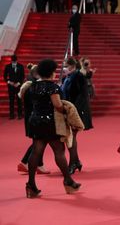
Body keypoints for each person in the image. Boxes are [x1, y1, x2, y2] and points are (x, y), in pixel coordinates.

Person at [25, 59, 81, 198]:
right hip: (50, 123)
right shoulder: (52, 87)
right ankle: (68, 180)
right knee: (59, 151)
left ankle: (31, 185)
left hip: (35, 121)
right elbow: (57, 105)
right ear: (51, 72)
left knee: (36, 152)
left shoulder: (32, 86)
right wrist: (66, 109)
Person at [17, 64, 50, 175]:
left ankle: (32, 163)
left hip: (31, 117)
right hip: (36, 117)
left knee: (39, 141)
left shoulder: (28, 84)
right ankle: (30, 163)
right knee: (40, 141)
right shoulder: (33, 86)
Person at [62, 58, 93, 174]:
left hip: (76, 111)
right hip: (69, 109)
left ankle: (73, 163)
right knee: (71, 137)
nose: (64, 68)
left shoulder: (79, 76)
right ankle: (76, 162)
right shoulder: (67, 77)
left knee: (71, 136)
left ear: (72, 66)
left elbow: (83, 95)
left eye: (66, 65)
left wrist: (73, 110)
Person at [3, 54, 25, 119]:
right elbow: (5, 76)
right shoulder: (7, 66)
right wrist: (9, 82)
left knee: (19, 100)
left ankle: (20, 114)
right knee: (11, 100)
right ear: (11, 60)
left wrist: (18, 83)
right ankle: (11, 115)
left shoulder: (21, 66)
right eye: (13, 61)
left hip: (18, 86)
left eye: (14, 61)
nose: (14, 62)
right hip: (11, 86)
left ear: (16, 60)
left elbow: (22, 76)